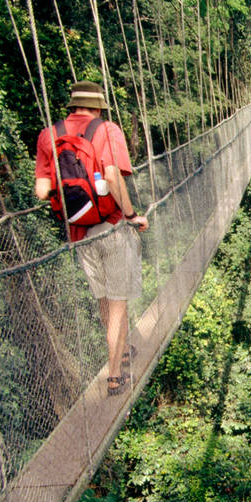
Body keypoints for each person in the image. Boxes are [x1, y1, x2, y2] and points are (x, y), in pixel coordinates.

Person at [34, 81, 149, 396]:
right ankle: (115, 377)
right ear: (98, 106)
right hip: (110, 226)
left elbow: (42, 190)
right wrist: (130, 216)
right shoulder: (107, 130)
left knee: (103, 299)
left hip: (79, 235)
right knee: (118, 304)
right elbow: (112, 176)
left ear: (72, 105)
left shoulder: (50, 134)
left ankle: (121, 351)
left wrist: (75, 200)